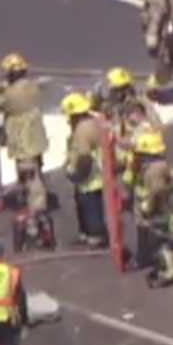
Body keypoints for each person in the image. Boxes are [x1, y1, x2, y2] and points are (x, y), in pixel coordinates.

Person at [0, 53, 52, 239]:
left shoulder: (12, 95)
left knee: (30, 177)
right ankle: (35, 204)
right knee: (36, 172)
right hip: (36, 138)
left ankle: (36, 213)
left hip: (23, 142)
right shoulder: (31, 87)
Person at [126, 125, 173, 278]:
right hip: (147, 211)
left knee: (158, 240)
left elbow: (157, 189)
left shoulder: (154, 170)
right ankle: (144, 258)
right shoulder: (150, 166)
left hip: (156, 211)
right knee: (145, 235)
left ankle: (170, 270)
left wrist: (147, 205)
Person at [61, 91, 112, 248]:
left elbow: (83, 155)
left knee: (90, 205)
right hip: (97, 172)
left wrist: (77, 174)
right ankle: (87, 233)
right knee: (87, 203)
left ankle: (94, 235)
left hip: (89, 176)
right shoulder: (93, 121)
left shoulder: (82, 129)